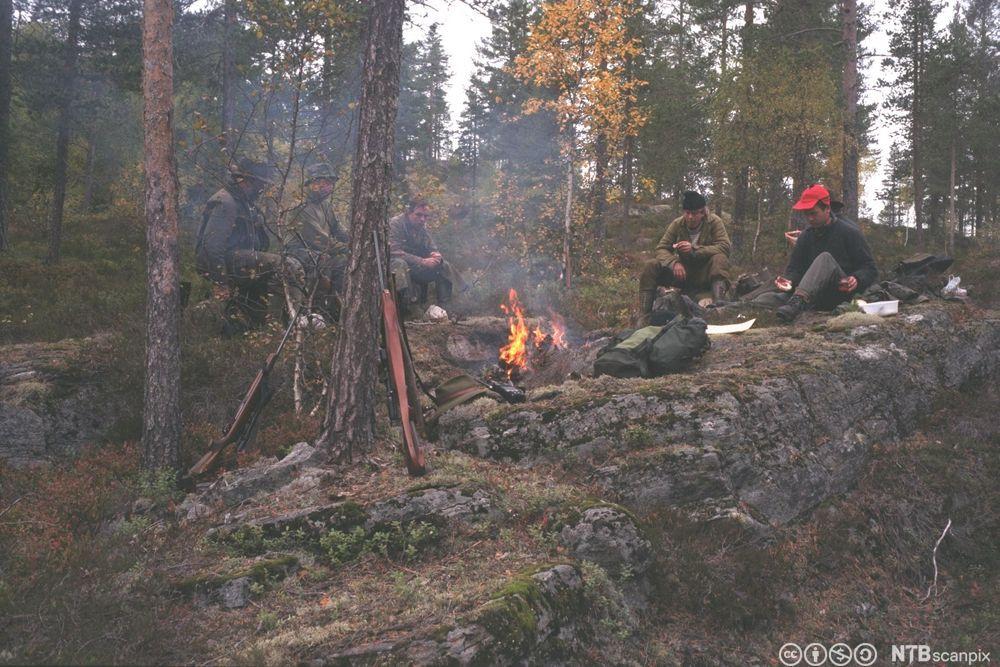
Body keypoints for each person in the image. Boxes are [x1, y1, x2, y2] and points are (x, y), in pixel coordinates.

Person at [196, 159, 304, 336]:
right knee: (288, 266)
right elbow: (212, 246)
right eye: (260, 183)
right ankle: (280, 331)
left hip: (238, 260)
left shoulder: (245, 203)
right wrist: (221, 283)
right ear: (245, 180)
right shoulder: (226, 202)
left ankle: (269, 323)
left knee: (252, 316)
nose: (261, 188)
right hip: (226, 261)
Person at [774, 184, 878, 322]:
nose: (809, 219)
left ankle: (797, 302)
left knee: (825, 258)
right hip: (814, 296)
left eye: (813, 213)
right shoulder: (805, 236)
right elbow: (795, 269)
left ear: (827, 209)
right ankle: (741, 306)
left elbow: (870, 268)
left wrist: (856, 279)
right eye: (806, 214)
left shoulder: (849, 232)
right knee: (766, 299)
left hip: (840, 294)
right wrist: (789, 281)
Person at [637, 190, 732, 325]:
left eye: (694, 213)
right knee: (651, 265)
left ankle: (719, 308)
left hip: (706, 273)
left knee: (719, 259)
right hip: (683, 274)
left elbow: (724, 246)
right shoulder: (677, 224)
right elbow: (661, 248)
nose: (690, 217)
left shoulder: (714, 222)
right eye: (687, 213)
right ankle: (644, 317)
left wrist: (695, 249)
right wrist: (674, 263)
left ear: (703, 212)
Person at [285, 163, 349, 322]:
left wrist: (358, 242)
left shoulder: (325, 205)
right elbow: (320, 240)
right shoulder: (301, 206)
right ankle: (316, 310)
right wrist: (349, 249)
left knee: (343, 263)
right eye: (325, 183)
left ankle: (337, 308)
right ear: (312, 183)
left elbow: (339, 231)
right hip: (297, 250)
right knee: (323, 260)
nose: (329, 187)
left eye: (330, 183)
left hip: (318, 249)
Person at [388, 197, 464, 308]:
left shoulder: (421, 227)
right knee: (400, 264)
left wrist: (436, 256)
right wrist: (422, 261)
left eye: (425, 216)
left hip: (415, 266)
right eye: (418, 215)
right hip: (395, 266)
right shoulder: (395, 224)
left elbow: (432, 247)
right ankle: (406, 308)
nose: (423, 219)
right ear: (409, 213)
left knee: (443, 265)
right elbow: (394, 252)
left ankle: (446, 307)